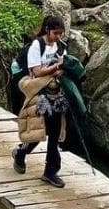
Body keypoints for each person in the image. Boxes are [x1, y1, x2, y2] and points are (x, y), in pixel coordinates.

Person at [11, 15, 71, 188]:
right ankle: (21, 153)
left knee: (54, 132)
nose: (58, 36)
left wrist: (60, 69)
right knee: (38, 131)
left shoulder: (61, 46)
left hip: (55, 93)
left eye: (61, 33)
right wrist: (55, 68)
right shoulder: (37, 46)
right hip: (39, 92)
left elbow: (62, 66)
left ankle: (51, 172)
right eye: (55, 33)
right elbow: (36, 71)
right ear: (47, 30)